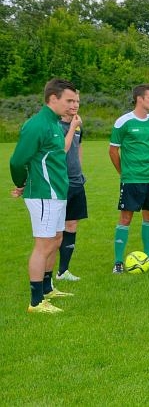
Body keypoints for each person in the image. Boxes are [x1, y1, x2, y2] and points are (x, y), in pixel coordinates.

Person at [10, 78, 79, 313]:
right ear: (53, 99)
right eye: (68, 100)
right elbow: (18, 160)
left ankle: (48, 287)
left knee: (56, 239)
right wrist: (21, 183)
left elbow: (57, 155)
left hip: (57, 192)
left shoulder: (55, 124)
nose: (73, 104)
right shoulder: (37, 125)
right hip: (43, 194)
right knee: (43, 244)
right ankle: (36, 301)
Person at [109, 84, 149, 273]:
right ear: (139, 99)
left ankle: (148, 257)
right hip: (131, 180)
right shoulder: (123, 122)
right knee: (125, 218)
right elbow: (113, 150)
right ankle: (118, 262)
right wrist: (123, 172)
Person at [56, 90, 87, 281]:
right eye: (70, 101)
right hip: (60, 183)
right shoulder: (56, 126)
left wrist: (80, 172)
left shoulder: (76, 126)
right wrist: (72, 126)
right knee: (56, 230)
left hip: (76, 182)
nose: (75, 105)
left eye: (77, 101)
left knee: (72, 224)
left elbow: (78, 149)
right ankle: (45, 275)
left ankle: (63, 270)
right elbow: (61, 150)